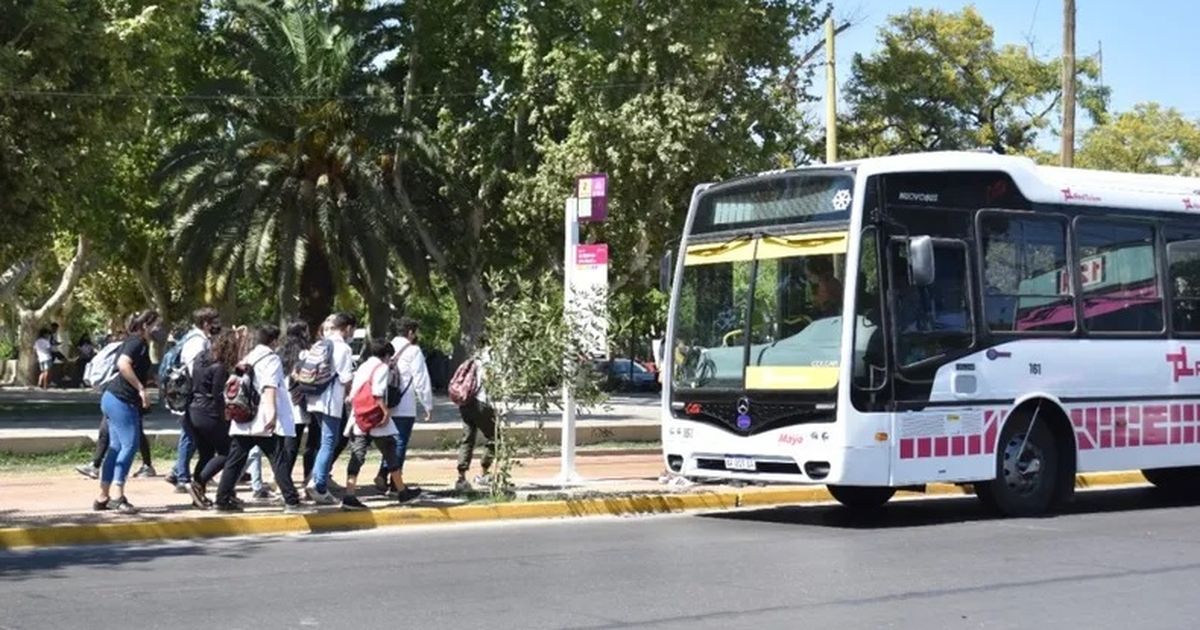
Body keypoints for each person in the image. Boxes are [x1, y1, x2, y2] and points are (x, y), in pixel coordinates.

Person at [213, 325, 310, 514]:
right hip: (263, 419)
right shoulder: (270, 359)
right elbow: (269, 387)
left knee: (235, 460)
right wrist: (272, 414)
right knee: (279, 459)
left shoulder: (247, 358)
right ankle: (291, 500)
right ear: (273, 341)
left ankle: (222, 500)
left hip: (244, 419)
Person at [93, 310, 164, 514]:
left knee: (115, 447)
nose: (159, 330)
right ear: (145, 326)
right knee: (129, 445)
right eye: (156, 325)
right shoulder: (137, 343)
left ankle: (103, 496)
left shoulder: (139, 344)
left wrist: (150, 381)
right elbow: (123, 364)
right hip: (121, 400)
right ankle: (117, 494)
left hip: (112, 398)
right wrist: (141, 389)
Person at [341, 339, 419, 510]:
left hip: (359, 417)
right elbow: (377, 393)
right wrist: (385, 412)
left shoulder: (363, 366)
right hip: (376, 418)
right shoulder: (382, 368)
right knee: (390, 451)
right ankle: (402, 491)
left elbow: (352, 394)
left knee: (357, 455)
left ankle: (349, 494)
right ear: (386, 355)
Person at [166, 307, 222, 493]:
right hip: (191, 393)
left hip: (191, 393)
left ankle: (179, 472)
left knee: (192, 435)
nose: (217, 325)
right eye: (214, 321)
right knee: (189, 435)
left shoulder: (196, 338)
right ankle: (182, 477)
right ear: (206, 323)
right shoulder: (197, 342)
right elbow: (195, 368)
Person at [374, 317, 432, 495]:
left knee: (389, 442)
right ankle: (394, 484)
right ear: (411, 332)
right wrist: (427, 404)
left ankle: (383, 473)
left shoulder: (386, 347)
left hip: (385, 403)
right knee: (400, 443)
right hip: (404, 404)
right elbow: (421, 379)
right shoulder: (413, 350)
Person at [183, 329, 239, 509]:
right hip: (210, 413)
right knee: (228, 451)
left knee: (206, 454)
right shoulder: (220, 367)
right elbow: (217, 395)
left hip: (194, 411)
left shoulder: (200, 359)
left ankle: (198, 495)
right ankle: (198, 483)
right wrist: (227, 416)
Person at [305, 312, 355, 505]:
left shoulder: (319, 344)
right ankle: (319, 485)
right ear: (348, 328)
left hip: (314, 397)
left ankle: (316, 478)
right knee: (329, 442)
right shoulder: (343, 348)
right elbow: (345, 378)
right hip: (330, 400)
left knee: (324, 441)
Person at [455, 334, 497, 492]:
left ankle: (461, 477)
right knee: (495, 437)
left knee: (468, 438)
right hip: (481, 402)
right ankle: (484, 473)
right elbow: (493, 381)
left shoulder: (473, 359)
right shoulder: (491, 360)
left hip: (466, 403)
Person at [280, 321, 320, 484]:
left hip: (286, 402)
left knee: (290, 445)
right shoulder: (305, 353)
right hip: (302, 402)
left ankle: (284, 479)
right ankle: (308, 477)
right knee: (312, 443)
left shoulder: (281, 353)